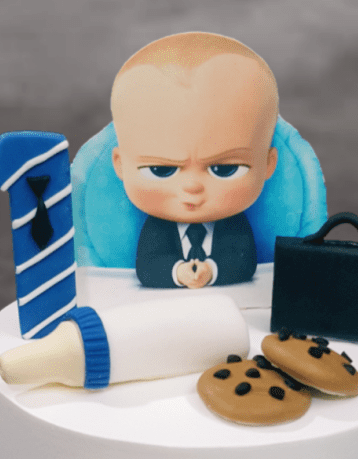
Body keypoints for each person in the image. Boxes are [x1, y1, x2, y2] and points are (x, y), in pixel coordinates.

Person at [111, 32, 279, 288]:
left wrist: (211, 271)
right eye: (161, 169)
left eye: (224, 169)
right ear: (120, 165)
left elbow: (243, 262)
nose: (192, 187)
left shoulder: (234, 226)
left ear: (268, 164)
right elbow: (148, 267)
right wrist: (178, 273)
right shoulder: (157, 228)